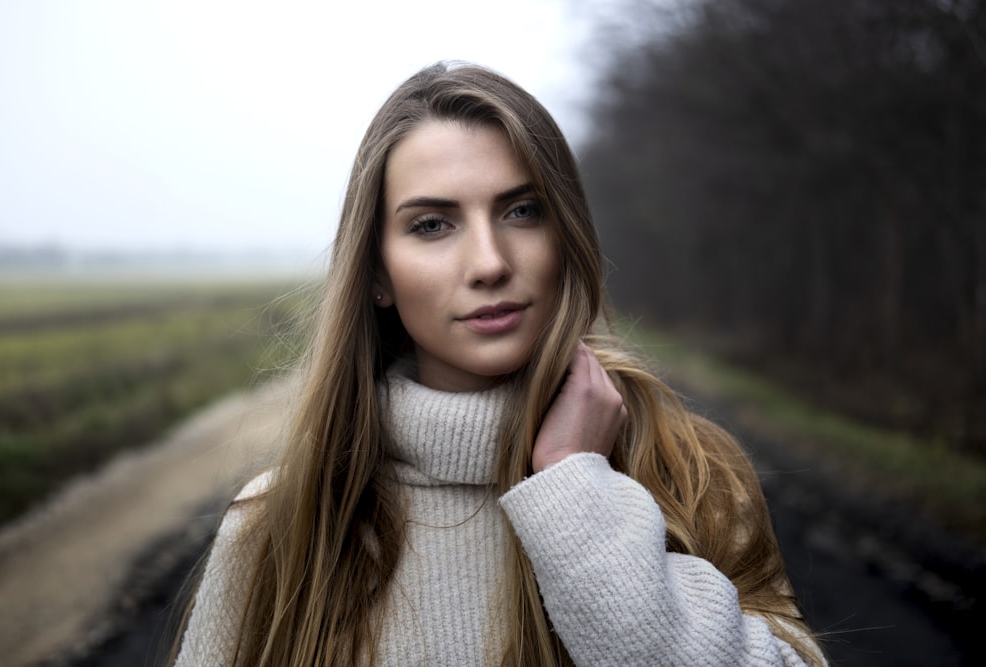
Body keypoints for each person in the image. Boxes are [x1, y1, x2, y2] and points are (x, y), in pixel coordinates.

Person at [172, 61, 827, 666]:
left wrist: (579, 495)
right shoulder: (280, 522)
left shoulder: (692, 473)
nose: (490, 263)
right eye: (432, 224)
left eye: (521, 211)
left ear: (565, 235)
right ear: (377, 273)